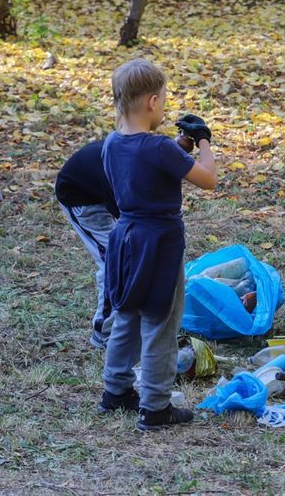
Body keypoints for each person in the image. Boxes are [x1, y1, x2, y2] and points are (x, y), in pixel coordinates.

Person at [97, 58, 217, 431]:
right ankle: (155, 407)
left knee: (127, 315)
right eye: (163, 99)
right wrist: (203, 141)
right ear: (151, 102)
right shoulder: (160, 148)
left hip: (125, 240)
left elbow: (144, 165)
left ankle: (115, 391)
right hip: (159, 245)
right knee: (161, 322)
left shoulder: (111, 144)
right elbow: (208, 179)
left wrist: (176, 146)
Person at [55, 140, 119, 349]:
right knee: (113, 260)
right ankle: (104, 331)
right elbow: (127, 215)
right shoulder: (112, 173)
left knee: (127, 253)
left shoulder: (141, 151)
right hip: (81, 201)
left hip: (99, 190)